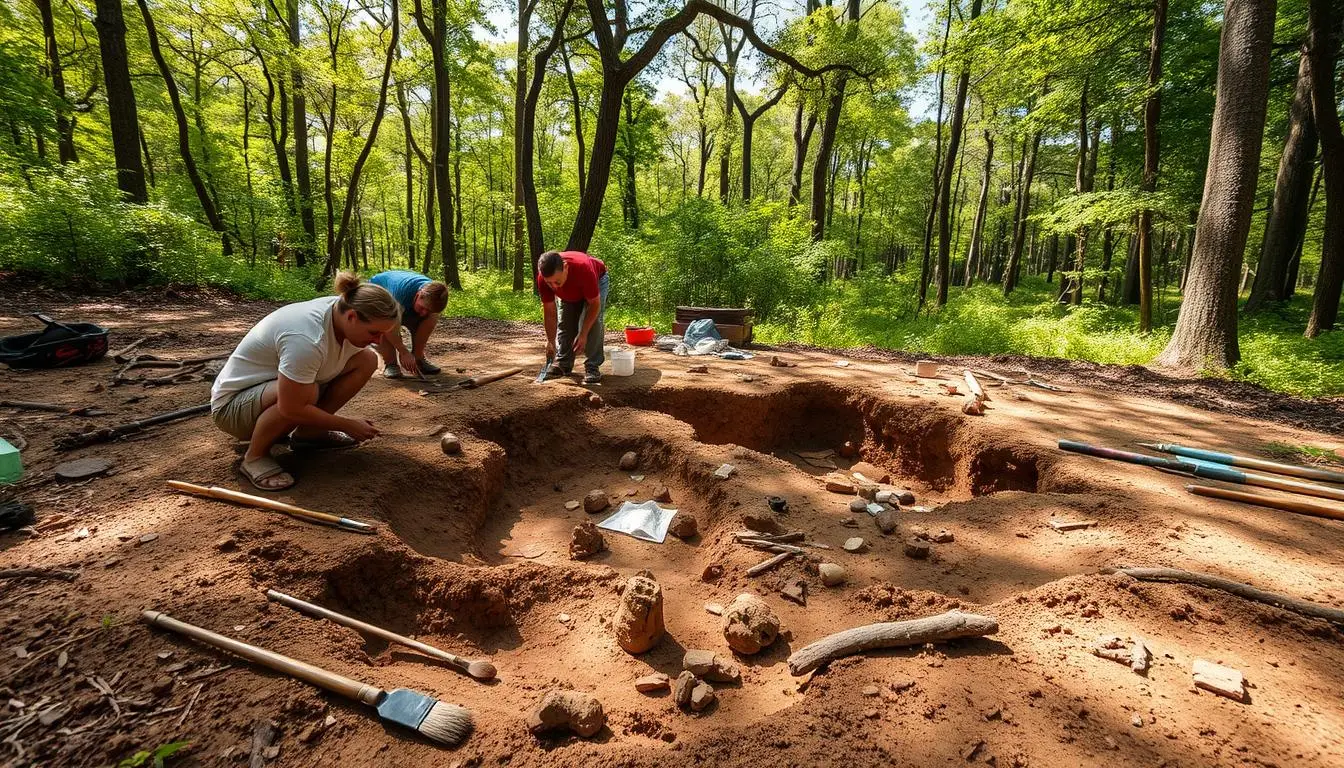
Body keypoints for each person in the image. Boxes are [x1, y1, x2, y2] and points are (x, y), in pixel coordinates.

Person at [210, 272, 399, 491]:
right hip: (232, 411)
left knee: (367, 359)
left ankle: (309, 434)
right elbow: (291, 407)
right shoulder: (307, 339)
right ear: (352, 317)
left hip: (268, 393)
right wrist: (346, 425)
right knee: (305, 394)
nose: (378, 340)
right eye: (374, 332)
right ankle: (255, 456)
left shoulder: (343, 307)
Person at [537, 250, 609, 384]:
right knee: (566, 323)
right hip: (571, 290)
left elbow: (594, 305)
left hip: (597, 280)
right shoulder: (543, 278)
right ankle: (563, 363)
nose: (553, 287)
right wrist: (550, 341)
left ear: (565, 267)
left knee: (594, 323)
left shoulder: (584, 270)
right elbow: (549, 311)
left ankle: (592, 366)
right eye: (549, 283)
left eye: (556, 282)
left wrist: (583, 334)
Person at [369, 270, 450, 378]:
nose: (423, 313)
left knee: (431, 317)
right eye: (422, 308)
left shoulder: (434, 294)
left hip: (404, 302)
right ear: (418, 295)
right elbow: (389, 328)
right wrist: (404, 352)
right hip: (379, 296)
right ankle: (390, 363)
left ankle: (418, 358)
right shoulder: (399, 296)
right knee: (383, 324)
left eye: (428, 310)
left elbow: (427, 312)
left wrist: (413, 356)